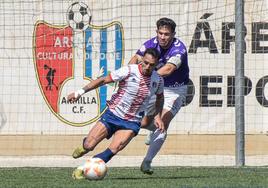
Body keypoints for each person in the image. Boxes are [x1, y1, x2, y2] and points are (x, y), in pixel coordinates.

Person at [68, 48, 164, 179]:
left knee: (115, 148)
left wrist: (158, 116)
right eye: (145, 62)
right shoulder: (129, 70)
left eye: (152, 65)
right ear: (141, 60)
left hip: (132, 122)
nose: (147, 67)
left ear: (157, 64)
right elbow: (103, 80)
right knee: (89, 145)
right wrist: (79, 92)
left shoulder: (158, 80)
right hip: (113, 115)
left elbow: (159, 98)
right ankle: (84, 147)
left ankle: (83, 169)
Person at [129, 17, 189, 174]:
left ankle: (147, 162)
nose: (163, 37)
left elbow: (168, 69)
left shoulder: (179, 48)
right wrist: (130, 73)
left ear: (173, 34)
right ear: (156, 32)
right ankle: (150, 128)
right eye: (160, 33)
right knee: (142, 122)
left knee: (162, 123)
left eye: (167, 34)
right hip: (154, 86)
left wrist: (149, 77)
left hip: (174, 90)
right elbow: (135, 59)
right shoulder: (150, 44)